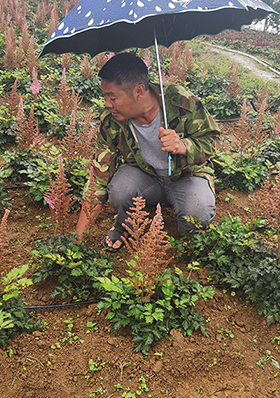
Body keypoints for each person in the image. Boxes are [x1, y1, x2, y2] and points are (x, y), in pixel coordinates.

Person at [75, 53, 220, 250]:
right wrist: (77, 241)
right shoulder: (111, 120)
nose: (107, 104)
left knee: (197, 212)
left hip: (186, 176)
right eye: (105, 97)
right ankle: (126, 225)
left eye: (113, 97)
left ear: (139, 92)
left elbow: (211, 141)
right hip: (145, 176)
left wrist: (182, 146)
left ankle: (188, 242)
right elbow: (98, 180)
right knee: (119, 192)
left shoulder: (180, 101)